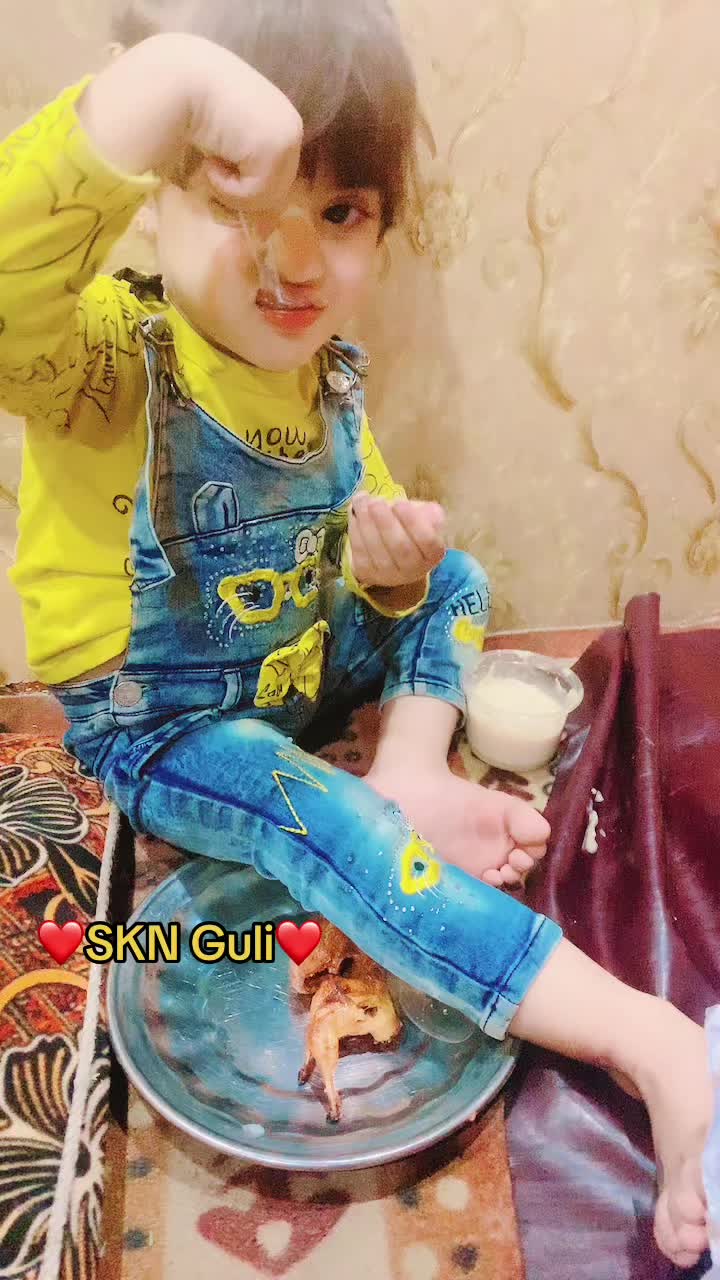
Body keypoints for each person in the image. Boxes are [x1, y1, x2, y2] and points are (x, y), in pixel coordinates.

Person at [0, 1, 712, 1266]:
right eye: (240, 201)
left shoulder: (327, 379)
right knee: (323, 818)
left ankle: (411, 769)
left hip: (294, 668)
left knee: (460, 576)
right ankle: (641, 1031)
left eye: (338, 211)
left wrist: (391, 575)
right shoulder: (112, 361)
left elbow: (376, 565)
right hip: (165, 727)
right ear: (156, 204)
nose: (293, 258)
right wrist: (162, 82)